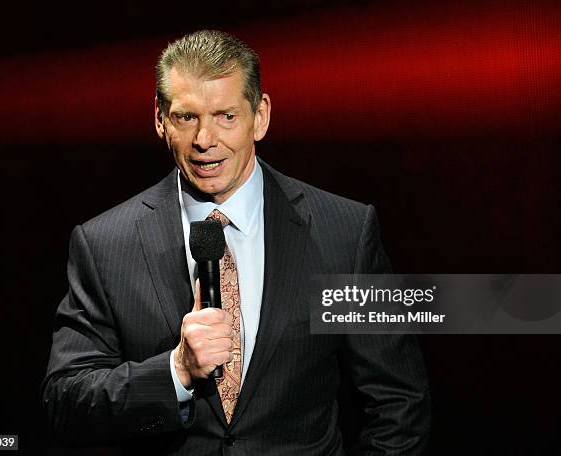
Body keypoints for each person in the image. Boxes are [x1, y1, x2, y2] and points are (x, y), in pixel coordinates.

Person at [42, 30, 430, 455]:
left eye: (226, 115)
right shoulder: (104, 244)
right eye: (186, 117)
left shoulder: (344, 231)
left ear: (260, 116)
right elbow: (66, 403)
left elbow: (399, 402)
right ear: (159, 119)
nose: (205, 140)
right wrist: (177, 371)